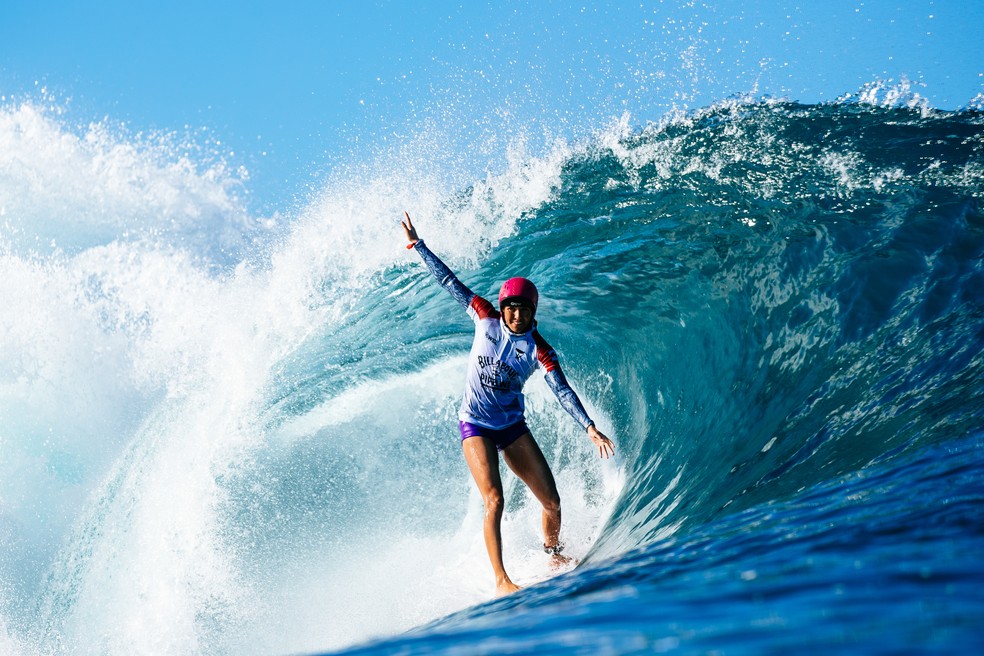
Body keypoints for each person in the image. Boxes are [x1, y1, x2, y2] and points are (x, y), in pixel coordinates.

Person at [401, 211, 615, 596]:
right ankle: (501, 580)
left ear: (533, 312)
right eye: (511, 307)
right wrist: (420, 246)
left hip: (512, 427)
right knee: (494, 499)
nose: (517, 314)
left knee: (551, 501)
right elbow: (450, 282)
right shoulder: (484, 317)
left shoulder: (539, 350)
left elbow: (562, 390)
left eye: (524, 309)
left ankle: (553, 554)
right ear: (503, 307)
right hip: (476, 425)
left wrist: (589, 427)